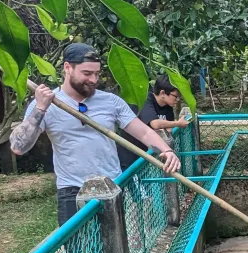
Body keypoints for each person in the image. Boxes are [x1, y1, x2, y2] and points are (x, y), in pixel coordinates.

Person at [10, 43, 181, 230]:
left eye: (97, 73)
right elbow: (19, 147)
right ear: (67, 68)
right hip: (72, 190)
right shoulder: (45, 104)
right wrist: (41, 108)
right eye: (86, 73)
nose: (93, 79)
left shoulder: (111, 102)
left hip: (112, 186)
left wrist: (167, 150)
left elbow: (144, 131)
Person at [117, 74, 190, 171]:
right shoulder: (145, 99)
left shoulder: (167, 107)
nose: (177, 100)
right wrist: (178, 123)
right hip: (130, 151)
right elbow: (155, 124)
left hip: (147, 151)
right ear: (163, 93)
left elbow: (168, 129)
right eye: (175, 96)